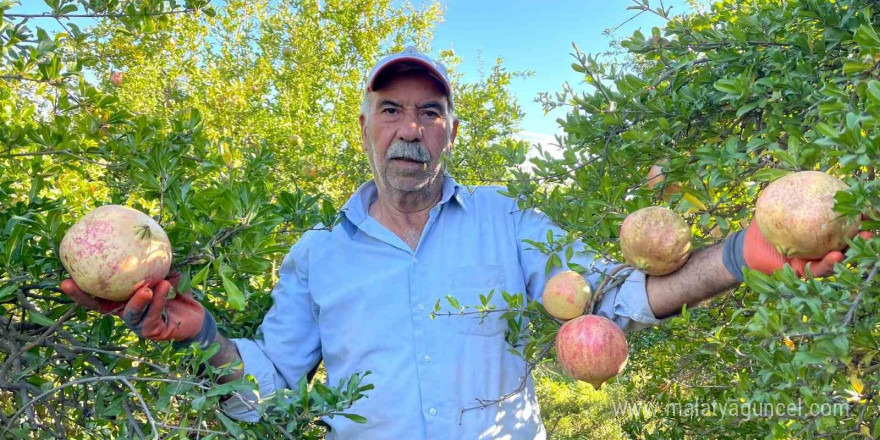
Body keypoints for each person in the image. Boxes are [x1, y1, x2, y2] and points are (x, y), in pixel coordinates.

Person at [60, 47, 875, 439]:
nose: (409, 129)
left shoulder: (508, 224)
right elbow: (266, 394)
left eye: (429, 111)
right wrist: (202, 335)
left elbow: (612, 300)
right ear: (365, 126)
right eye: (391, 109)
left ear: (450, 130)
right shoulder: (316, 255)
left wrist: (738, 259)